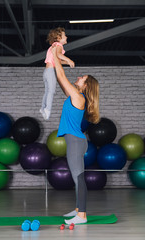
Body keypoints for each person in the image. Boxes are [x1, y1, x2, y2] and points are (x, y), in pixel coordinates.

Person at [52, 46, 100, 225]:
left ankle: (82, 216)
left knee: (79, 178)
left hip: (75, 142)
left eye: (82, 78)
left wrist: (56, 57)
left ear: (85, 86)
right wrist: (55, 58)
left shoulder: (80, 98)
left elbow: (63, 77)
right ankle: (79, 209)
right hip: (75, 140)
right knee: (76, 177)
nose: (78, 78)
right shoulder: (75, 95)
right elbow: (60, 79)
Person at [40, 27, 75, 120]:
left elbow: (57, 61)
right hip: (50, 71)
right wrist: (69, 60)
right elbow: (59, 55)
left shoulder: (53, 46)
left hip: (46, 71)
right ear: (59, 38)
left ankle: (43, 108)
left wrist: (66, 63)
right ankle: (47, 110)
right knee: (51, 91)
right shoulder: (58, 45)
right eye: (64, 35)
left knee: (47, 91)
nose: (66, 37)